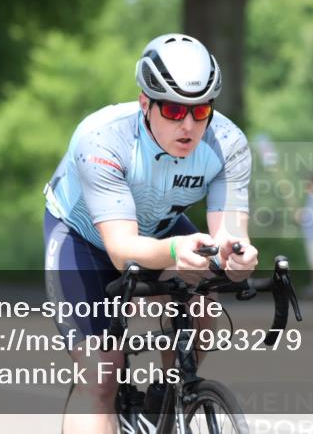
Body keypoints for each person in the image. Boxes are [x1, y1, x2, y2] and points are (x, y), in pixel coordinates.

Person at [42, 33, 258, 434]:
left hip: (158, 227)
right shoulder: (102, 137)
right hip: (82, 237)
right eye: (175, 111)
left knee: (201, 314)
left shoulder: (228, 142)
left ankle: (163, 404)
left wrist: (237, 259)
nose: (189, 125)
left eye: (201, 111)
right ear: (146, 103)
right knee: (102, 376)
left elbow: (229, 235)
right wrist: (178, 250)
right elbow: (123, 250)